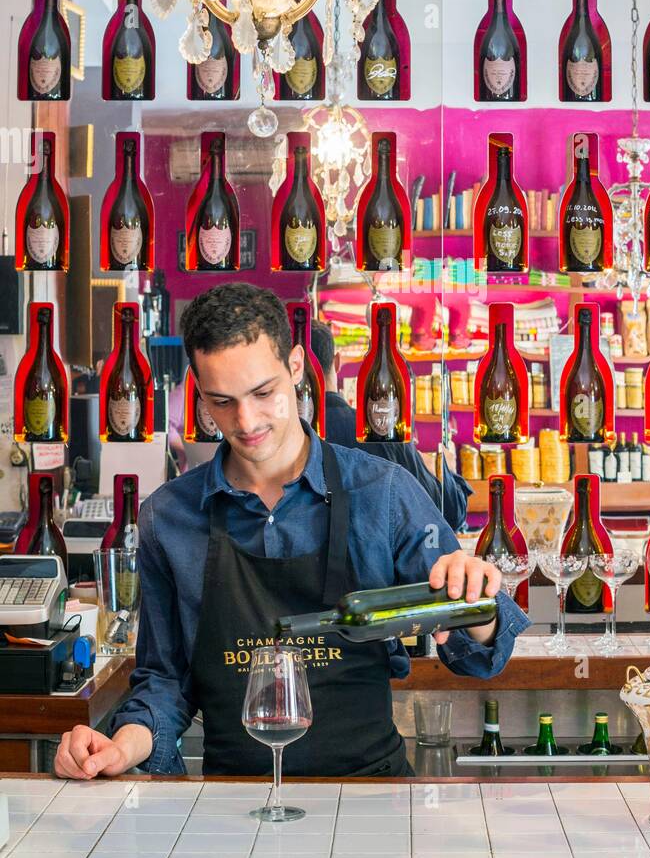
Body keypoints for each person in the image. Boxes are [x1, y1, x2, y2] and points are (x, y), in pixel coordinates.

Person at [54, 284, 530, 781]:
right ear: (198, 391)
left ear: (297, 367)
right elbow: (166, 681)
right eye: (222, 401)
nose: (246, 421)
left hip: (373, 798)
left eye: (264, 394)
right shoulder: (169, 518)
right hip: (229, 805)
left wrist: (472, 601)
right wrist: (120, 747)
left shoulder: (383, 493)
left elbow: (483, 657)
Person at [309, 318, 472, 531]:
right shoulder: (382, 431)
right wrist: (446, 471)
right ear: (337, 362)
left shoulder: (287, 438)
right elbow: (449, 514)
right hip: (382, 562)